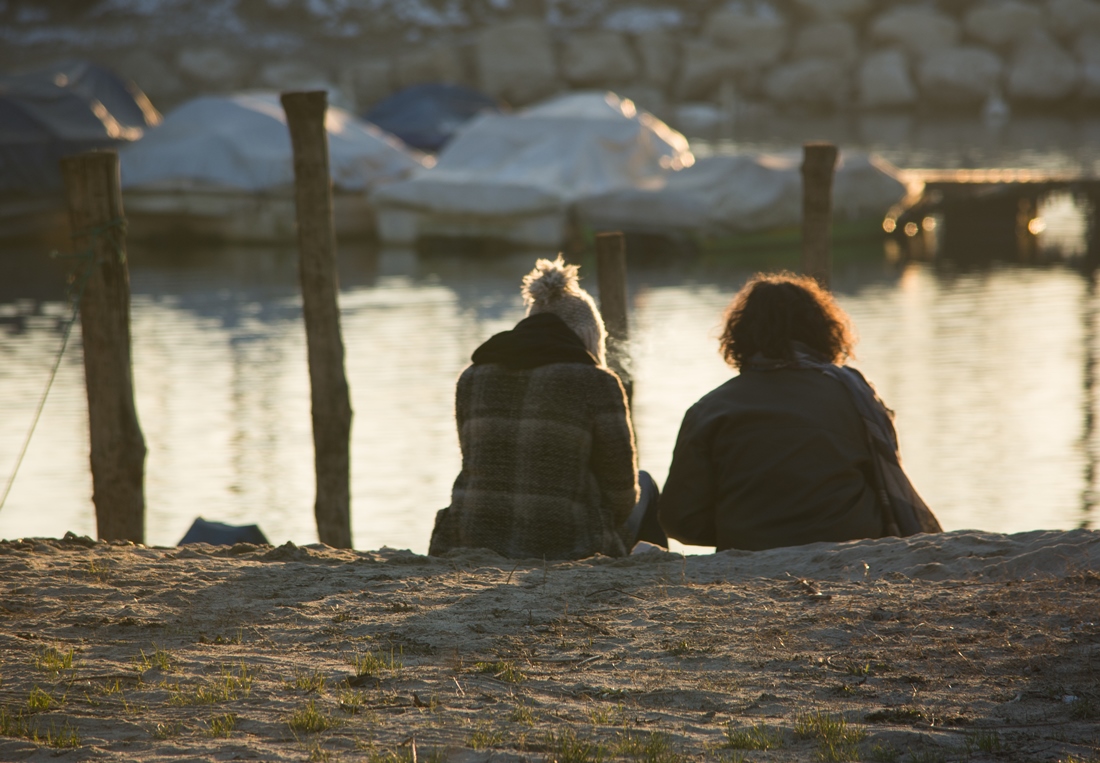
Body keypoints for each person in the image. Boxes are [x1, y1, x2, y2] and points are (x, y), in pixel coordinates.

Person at [658, 272, 928, 552]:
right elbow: (884, 487)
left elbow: (679, 520)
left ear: (739, 337)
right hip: (853, 548)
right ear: (824, 332)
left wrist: (742, 529)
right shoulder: (855, 398)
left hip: (749, 549)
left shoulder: (709, 410)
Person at [429, 256, 662, 560]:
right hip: (568, 542)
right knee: (645, 484)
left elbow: (479, 464)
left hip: (472, 537)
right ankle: (648, 580)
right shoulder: (597, 382)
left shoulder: (472, 377)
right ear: (587, 336)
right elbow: (621, 495)